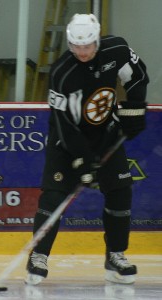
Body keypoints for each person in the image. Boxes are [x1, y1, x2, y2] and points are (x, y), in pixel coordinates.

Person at [25, 13, 149, 285]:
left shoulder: (116, 49)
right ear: (69, 43)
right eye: (76, 46)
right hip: (67, 140)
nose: (82, 52)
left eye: (88, 46)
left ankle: (115, 256)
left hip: (106, 133)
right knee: (54, 195)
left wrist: (134, 110)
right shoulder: (62, 72)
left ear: (96, 40)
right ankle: (38, 256)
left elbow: (138, 77)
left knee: (120, 190)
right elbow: (64, 123)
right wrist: (84, 160)